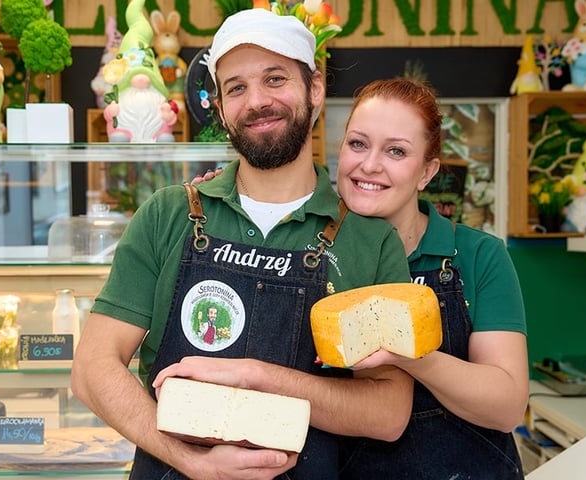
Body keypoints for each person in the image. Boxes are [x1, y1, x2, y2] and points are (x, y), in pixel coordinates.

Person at [70, 9, 414, 480]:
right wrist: (194, 462)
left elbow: (390, 411)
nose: (256, 101)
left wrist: (259, 378)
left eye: (275, 79)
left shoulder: (368, 240)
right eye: (236, 88)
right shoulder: (169, 214)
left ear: (314, 88)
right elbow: (93, 368)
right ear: (219, 105)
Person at [335, 78, 529, 479]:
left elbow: (508, 406)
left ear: (427, 172)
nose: (370, 164)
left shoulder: (478, 256)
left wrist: (409, 355)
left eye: (396, 151)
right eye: (357, 143)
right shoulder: (311, 252)